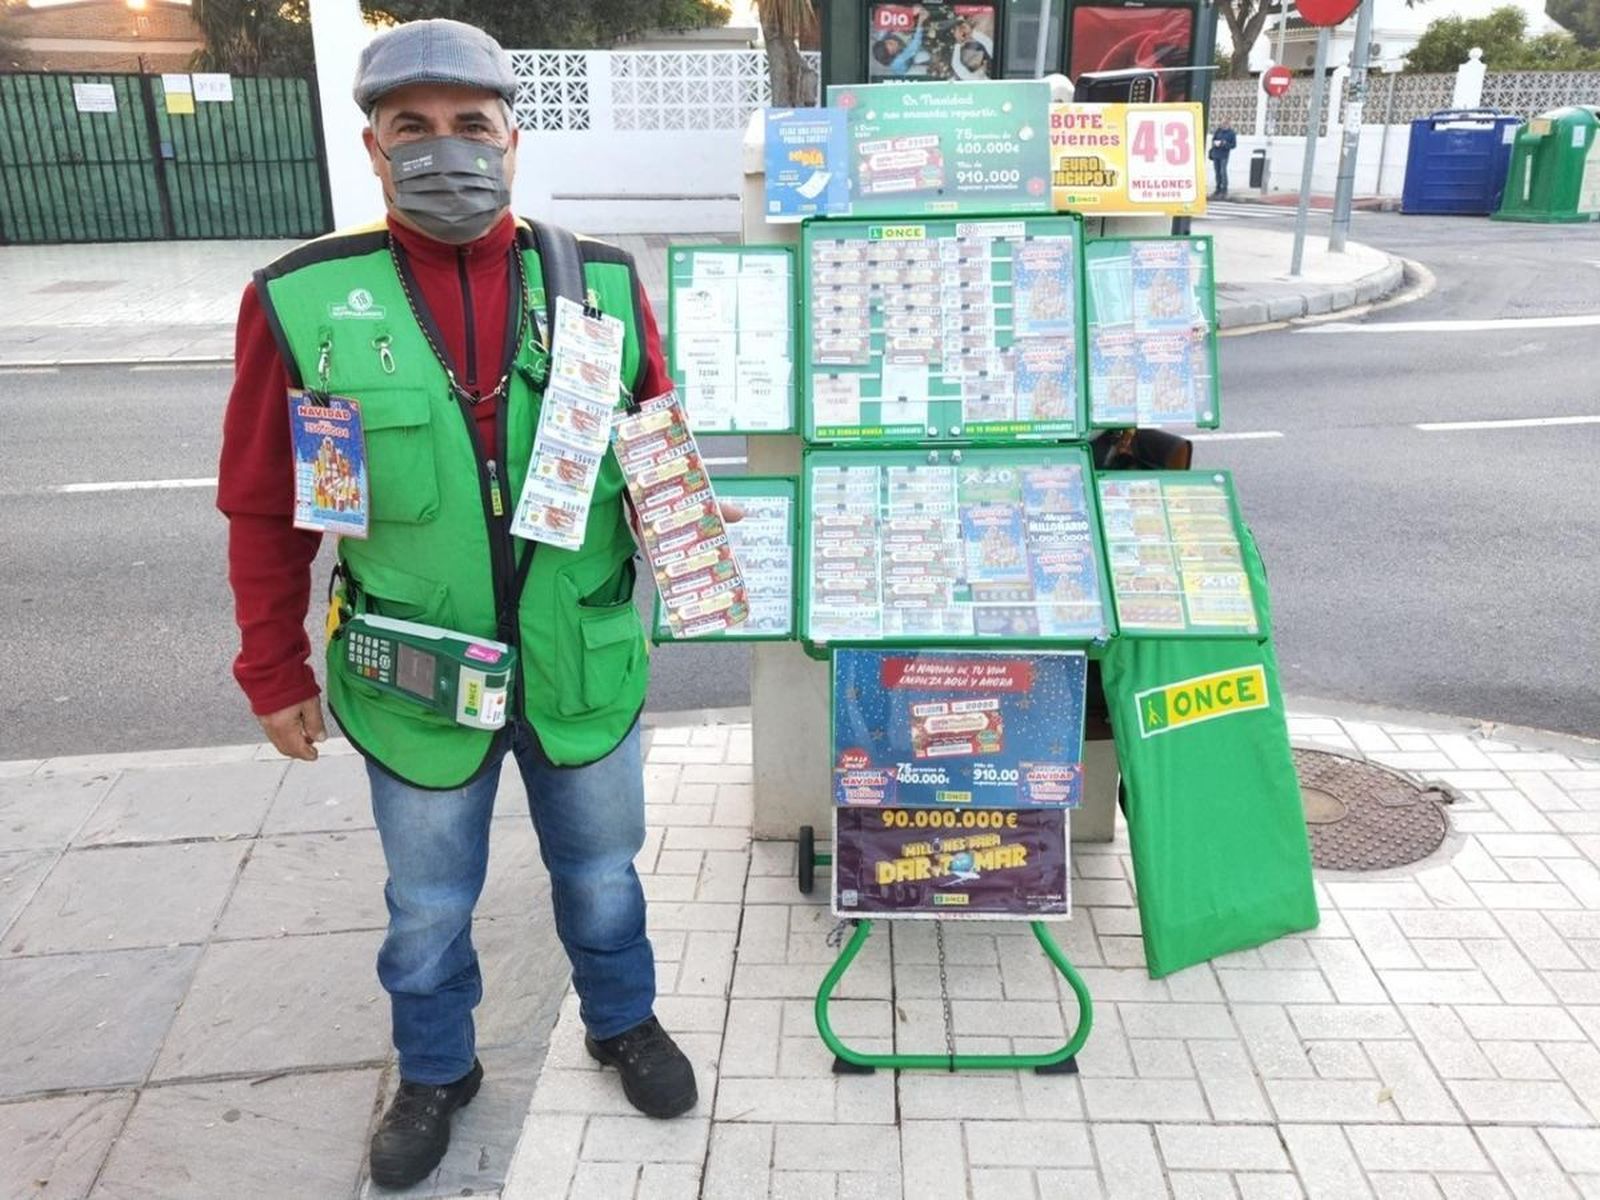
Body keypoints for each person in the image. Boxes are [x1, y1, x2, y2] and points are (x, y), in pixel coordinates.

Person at [218, 19, 703, 1190]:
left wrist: (702, 557)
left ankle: (621, 1020)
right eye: (413, 128)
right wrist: (272, 671)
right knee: (428, 902)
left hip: (578, 659)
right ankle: (436, 1069)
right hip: (414, 678)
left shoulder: (598, 282)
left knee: (604, 873)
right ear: (373, 148)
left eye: (470, 125)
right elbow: (266, 507)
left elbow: (655, 451)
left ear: (512, 140)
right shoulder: (303, 299)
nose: (446, 150)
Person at [1209, 126, 1237, 198]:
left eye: (1226, 122)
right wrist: (1215, 143)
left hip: (1224, 155)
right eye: (1223, 122)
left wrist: (1225, 144)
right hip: (1216, 154)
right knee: (1217, 172)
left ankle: (1224, 189)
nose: (1224, 124)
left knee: (1223, 172)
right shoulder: (1218, 131)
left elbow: (1233, 145)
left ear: (1229, 124)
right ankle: (1218, 189)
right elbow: (1213, 140)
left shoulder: (1231, 133)